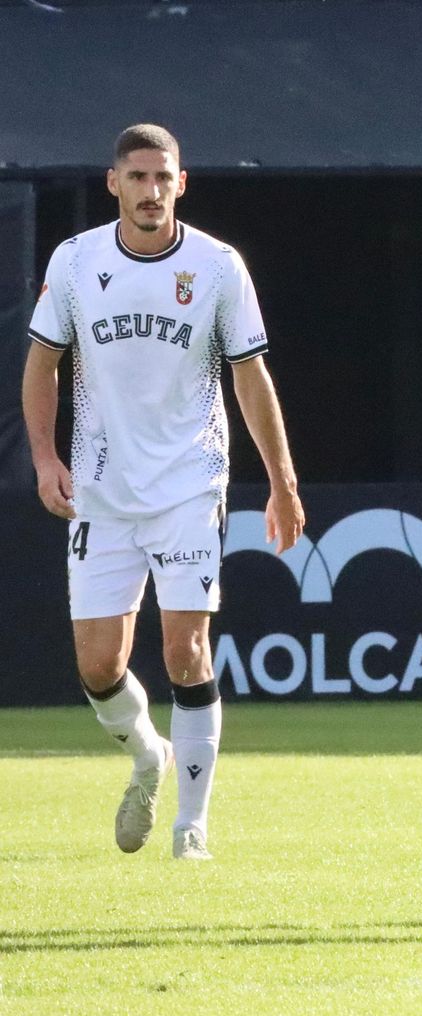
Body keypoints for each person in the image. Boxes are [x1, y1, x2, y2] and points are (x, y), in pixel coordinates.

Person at [21, 124, 304, 861]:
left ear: (183, 183)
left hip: (188, 482)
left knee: (186, 650)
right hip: (103, 490)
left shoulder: (216, 266)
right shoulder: (77, 262)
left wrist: (283, 481)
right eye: (137, 177)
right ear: (113, 182)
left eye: (163, 178)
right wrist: (46, 456)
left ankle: (192, 827)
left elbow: (249, 374)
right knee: (98, 667)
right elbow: (42, 362)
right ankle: (150, 757)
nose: (151, 191)